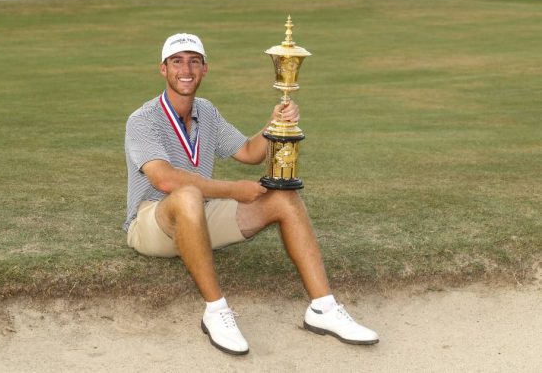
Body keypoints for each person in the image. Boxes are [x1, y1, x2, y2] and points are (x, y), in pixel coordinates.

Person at [124, 33, 379, 355]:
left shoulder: (207, 111)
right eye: (177, 61)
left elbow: (248, 151)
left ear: (205, 69)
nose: (185, 69)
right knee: (187, 195)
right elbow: (164, 180)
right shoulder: (143, 119)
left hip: (199, 215)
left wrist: (274, 124)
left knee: (284, 199)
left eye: (194, 61)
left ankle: (323, 309)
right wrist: (234, 190)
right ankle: (216, 312)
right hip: (152, 222)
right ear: (163, 69)